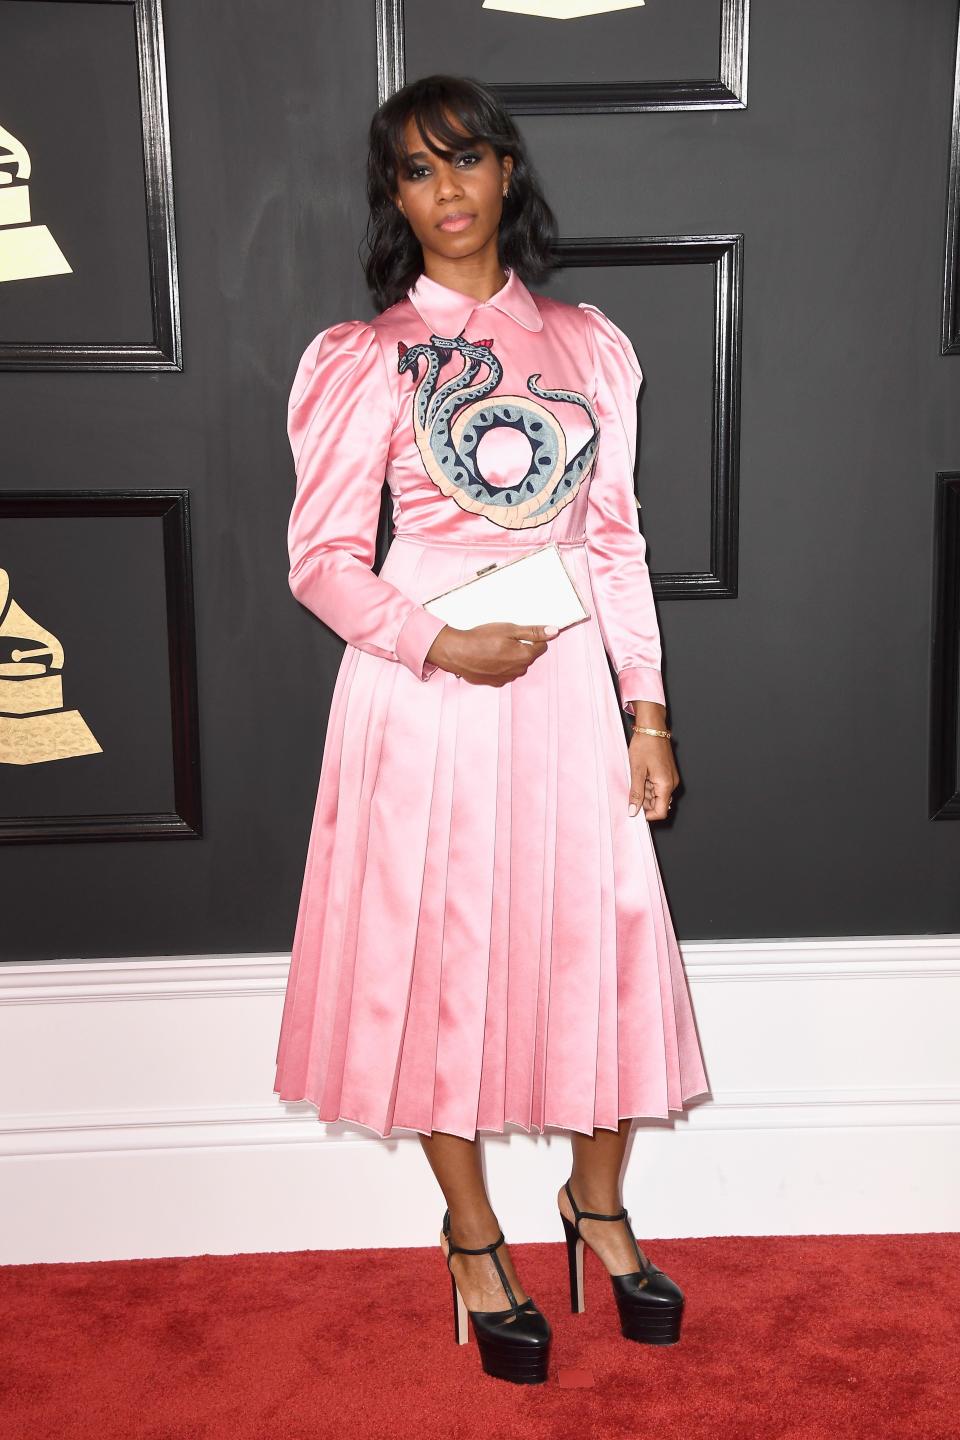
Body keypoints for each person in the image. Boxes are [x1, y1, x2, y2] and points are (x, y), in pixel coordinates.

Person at [274, 73, 710, 1386]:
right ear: (392, 197)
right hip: (424, 703)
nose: (447, 189)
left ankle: (599, 1206)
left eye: (467, 160)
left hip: (573, 703)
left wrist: (648, 710)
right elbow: (322, 561)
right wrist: (438, 643)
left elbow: (617, 546)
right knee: (431, 968)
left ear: (507, 175)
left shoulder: (591, 347)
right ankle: (473, 1236)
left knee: (605, 948)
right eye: (417, 170)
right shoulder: (366, 359)